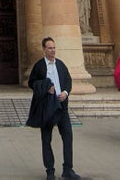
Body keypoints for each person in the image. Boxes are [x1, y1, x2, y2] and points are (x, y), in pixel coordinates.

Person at [26, 37, 81, 180]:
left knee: (68, 137)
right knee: (46, 139)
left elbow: (68, 80)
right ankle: (50, 171)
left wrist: (66, 92)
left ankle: (68, 169)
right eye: (50, 48)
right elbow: (31, 83)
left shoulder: (61, 65)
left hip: (62, 107)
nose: (53, 50)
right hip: (47, 107)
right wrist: (46, 88)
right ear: (44, 49)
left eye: (54, 48)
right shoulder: (39, 66)